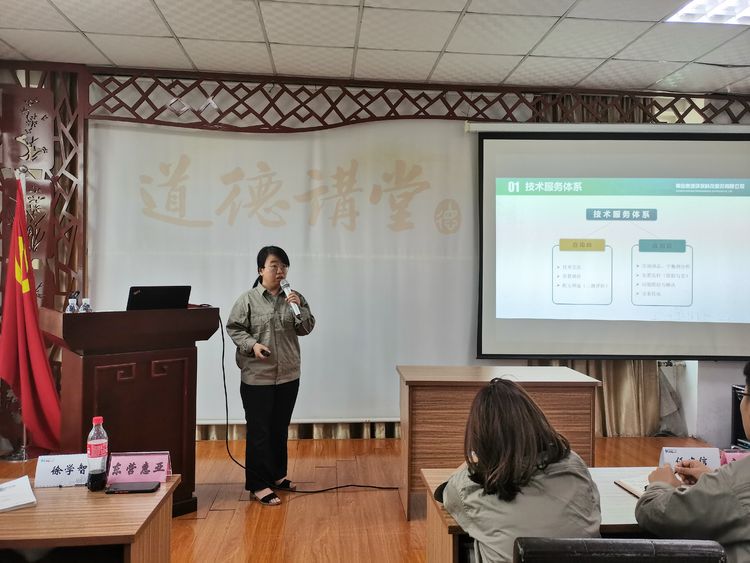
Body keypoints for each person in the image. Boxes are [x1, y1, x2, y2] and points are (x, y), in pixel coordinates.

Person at [441, 378, 601, 563]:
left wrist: (479, 458)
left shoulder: (468, 486)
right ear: (536, 421)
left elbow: (449, 490)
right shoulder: (575, 466)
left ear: (479, 437)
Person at [226, 246, 315, 506]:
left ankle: (276, 476)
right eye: (274, 265)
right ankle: (257, 484)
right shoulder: (248, 300)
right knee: (259, 431)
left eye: (284, 266)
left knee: (279, 428)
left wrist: (300, 309)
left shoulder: (295, 297)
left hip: (288, 374)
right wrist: (252, 345)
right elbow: (234, 328)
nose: (280, 270)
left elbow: (306, 328)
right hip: (258, 377)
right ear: (260, 270)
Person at [635, 362, 750, 563]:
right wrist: (712, 479)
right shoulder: (734, 482)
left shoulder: (737, 481)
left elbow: (654, 513)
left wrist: (660, 485)